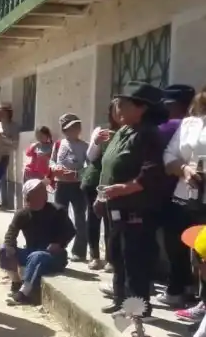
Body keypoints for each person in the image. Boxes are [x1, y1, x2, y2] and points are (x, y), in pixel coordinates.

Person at [96, 82, 166, 318]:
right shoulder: (124, 131)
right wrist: (102, 196)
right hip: (115, 206)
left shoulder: (148, 134)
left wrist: (122, 189)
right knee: (117, 255)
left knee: (135, 260)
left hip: (136, 209)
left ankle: (137, 310)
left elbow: (150, 175)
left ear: (141, 108)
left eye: (123, 104)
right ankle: (120, 299)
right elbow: (108, 166)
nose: (118, 109)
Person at [162, 85, 206, 317]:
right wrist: (184, 169)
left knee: (204, 251)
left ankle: (203, 303)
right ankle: (182, 290)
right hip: (184, 194)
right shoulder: (189, 123)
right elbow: (169, 155)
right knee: (178, 244)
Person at [0, 179, 75, 305]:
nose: (43, 194)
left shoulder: (58, 211)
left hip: (54, 256)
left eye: (43, 191)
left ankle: (23, 294)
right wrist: (10, 246)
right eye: (38, 192)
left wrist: (59, 244)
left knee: (37, 255)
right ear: (28, 196)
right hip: (31, 252)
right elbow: (10, 234)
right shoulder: (22, 214)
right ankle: (16, 283)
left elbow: (71, 231)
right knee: (3, 249)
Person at [83, 102, 121, 271]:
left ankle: (111, 258)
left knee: (111, 221)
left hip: (115, 183)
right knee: (94, 218)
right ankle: (95, 256)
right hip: (95, 181)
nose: (120, 112)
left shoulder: (130, 132)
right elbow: (90, 156)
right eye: (116, 109)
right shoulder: (101, 130)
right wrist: (96, 142)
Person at [50, 113, 89, 262]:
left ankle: (79, 251)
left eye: (76, 127)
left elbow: (89, 167)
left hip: (77, 186)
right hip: (61, 185)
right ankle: (58, 247)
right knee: (59, 216)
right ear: (64, 131)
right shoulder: (59, 144)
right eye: (70, 128)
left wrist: (77, 174)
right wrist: (55, 169)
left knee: (80, 217)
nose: (74, 130)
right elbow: (52, 161)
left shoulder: (85, 146)